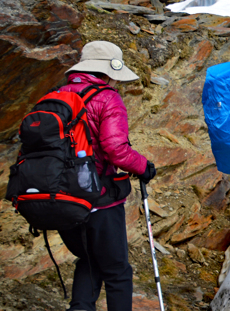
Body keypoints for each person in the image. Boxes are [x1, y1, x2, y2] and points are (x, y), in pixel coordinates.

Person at [57, 40, 157, 311]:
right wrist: (143, 166)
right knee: (117, 271)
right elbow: (116, 149)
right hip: (97, 197)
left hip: (59, 197)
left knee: (89, 261)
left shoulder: (56, 95)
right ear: (108, 73)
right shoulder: (106, 97)